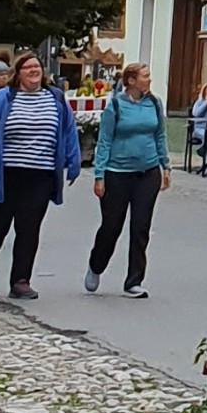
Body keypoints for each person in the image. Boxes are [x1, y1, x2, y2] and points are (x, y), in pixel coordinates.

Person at [0, 52, 82, 298]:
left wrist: (74, 161)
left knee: (29, 230)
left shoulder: (56, 98)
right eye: (27, 67)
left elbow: (68, 130)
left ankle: (20, 280)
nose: (33, 70)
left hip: (40, 176)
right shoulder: (3, 98)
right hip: (5, 176)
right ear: (17, 73)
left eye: (36, 66)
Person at [85, 64, 170, 298]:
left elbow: (159, 134)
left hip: (147, 172)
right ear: (131, 81)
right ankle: (96, 265)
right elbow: (104, 141)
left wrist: (165, 165)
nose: (149, 80)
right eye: (145, 76)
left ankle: (134, 281)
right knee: (112, 226)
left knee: (141, 227)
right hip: (117, 173)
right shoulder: (115, 106)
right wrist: (99, 175)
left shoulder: (153, 103)